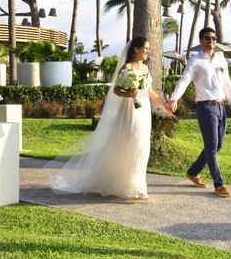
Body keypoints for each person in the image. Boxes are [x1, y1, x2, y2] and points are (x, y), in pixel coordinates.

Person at [45, 37, 168, 200]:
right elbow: (117, 90)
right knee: (131, 143)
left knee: (142, 147)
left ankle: (137, 184)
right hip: (130, 111)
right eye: (145, 48)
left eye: (148, 49)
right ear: (136, 49)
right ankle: (126, 185)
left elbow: (150, 91)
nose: (147, 51)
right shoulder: (127, 67)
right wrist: (129, 93)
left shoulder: (145, 68)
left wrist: (163, 104)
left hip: (143, 111)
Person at [167, 27, 231, 198]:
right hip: (206, 107)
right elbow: (184, 81)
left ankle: (193, 172)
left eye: (214, 38)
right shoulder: (195, 61)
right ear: (201, 41)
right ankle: (219, 184)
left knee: (217, 145)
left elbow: (227, 84)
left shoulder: (221, 60)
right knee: (212, 146)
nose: (211, 41)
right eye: (207, 38)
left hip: (221, 107)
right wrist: (174, 99)